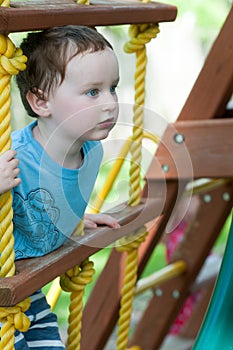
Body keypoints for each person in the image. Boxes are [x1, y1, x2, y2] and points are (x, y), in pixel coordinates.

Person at [0, 25, 120, 349]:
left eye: (113, 88)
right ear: (41, 102)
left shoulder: (92, 153)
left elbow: (46, 202)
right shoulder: (14, 159)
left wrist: (72, 218)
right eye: (93, 92)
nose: (110, 103)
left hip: (26, 288)